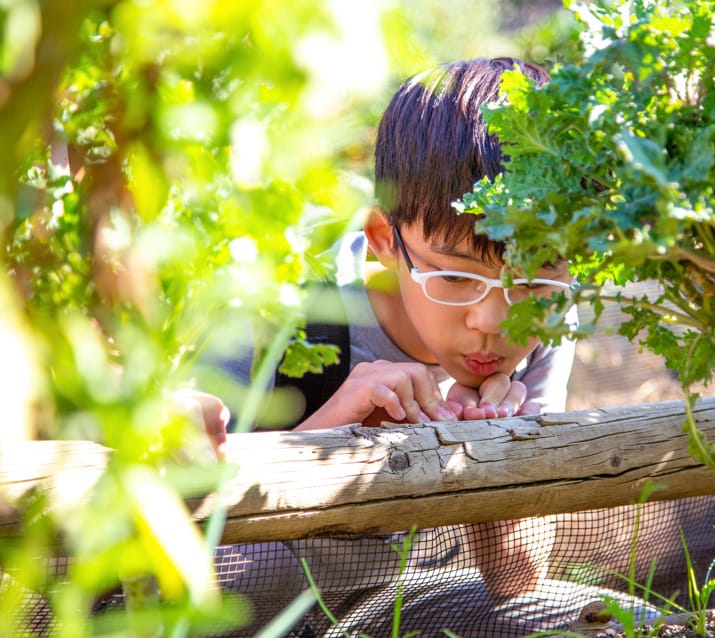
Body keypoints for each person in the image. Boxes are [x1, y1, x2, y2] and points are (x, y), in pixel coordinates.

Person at [182, 57, 611, 635]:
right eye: (454, 277)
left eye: (532, 278)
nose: (493, 321)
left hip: (385, 604)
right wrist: (336, 437)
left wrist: (493, 450)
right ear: (385, 238)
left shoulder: (548, 311)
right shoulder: (281, 294)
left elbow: (517, 577)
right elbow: (180, 544)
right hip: (231, 600)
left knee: (609, 621)